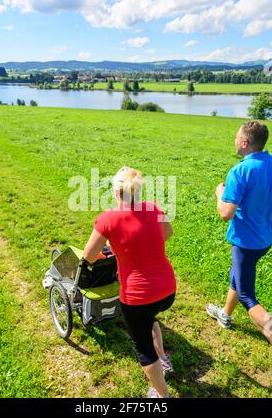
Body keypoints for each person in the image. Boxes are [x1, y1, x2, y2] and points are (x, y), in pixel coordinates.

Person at [84, 166, 177, 398]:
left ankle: (162, 395)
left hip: (137, 297)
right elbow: (167, 233)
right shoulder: (154, 209)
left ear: (116, 193)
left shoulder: (108, 219)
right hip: (167, 290)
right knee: (149, 318)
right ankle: (164, 360)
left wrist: (117, 251)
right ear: (139, 191)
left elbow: (88, 256)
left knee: (143, 348)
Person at [206, 121, 272, 343]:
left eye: (236, 137)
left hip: (247, 241)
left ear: (244, 143)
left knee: (246, 294)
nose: (234, 140)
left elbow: (226, 213)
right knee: (239, 274)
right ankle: (225, 314)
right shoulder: (270, 163)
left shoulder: (241, 170)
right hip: (265, 238)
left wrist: (219, 193)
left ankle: (269, 327)